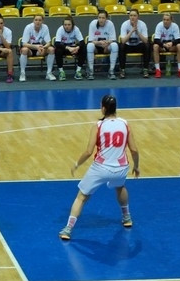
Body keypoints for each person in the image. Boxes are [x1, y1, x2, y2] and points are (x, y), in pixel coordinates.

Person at [59, 94, 139, 241]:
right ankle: (127, 217)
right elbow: (134, 150)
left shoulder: (98, 126)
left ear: (103, 108)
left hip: (101, 167)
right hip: (121, 167)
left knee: (82, 197)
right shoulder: (125, 124)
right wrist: (137, 166)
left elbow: (89, 151)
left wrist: (77, 164)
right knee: (120, 187)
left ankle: (68, 229)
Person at [19, 14, 55, 81]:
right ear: (33, 21)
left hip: (40, 49)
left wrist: (43, 47)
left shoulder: (45, 27)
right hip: (30, 48)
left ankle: (49, 73)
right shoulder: (28, 27)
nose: (38, 22)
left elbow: (48, 42)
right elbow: (24, 43)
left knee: (51, 49)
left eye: (40, 20)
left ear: (42, 21)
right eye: (36, 20)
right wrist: (35, 47)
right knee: (24, 50)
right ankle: (22, 73)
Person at [87, 10, 119, 80]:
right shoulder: (93, 24)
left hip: (106, 47)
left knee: (115, 45)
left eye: (103, 18)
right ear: (97, 17)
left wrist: (107, 42)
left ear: (106, 19)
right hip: (96, 47)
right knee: (89, 46)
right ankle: (91, 71)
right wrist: (100, 43)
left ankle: (111, 71)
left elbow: (113, 39)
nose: (101, 20)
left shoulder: (110, 24)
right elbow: (91, 40)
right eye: (99, 17)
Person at [118, 9, 150, 78]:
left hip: (138, 45)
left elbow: (145, 40)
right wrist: (131, 31)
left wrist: (137, 32)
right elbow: (123, 41)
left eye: (134, 15)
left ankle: (145, 69)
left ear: (138, 17)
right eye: (131, 15)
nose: (132, 17)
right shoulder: (125, 24)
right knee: (121, 46)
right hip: (128, 46)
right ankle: (122, 70)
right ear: (129, 16)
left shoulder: (142, 24)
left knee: (147, 45)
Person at [152, 13, 180, 78]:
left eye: (167, 20)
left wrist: (172, 43)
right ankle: (158, 70)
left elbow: (178, 40)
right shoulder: (159, 25)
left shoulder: (175, 26)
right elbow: (156, 40)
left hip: (172, 46)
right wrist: (163, 45)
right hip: (162, 46)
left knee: (179, 46)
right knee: (155, 46)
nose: (165, 21)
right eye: (164, 19)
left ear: (171, 20)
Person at [54, 16, 86, 81]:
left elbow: (82, 42)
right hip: (64, 48)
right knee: (58, 50)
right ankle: (61, 72)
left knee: (84, 48)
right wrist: (68, 48)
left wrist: (77, 47)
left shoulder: (76, 29)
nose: (67, 26)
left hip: (74, 47)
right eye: (65, 25)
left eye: (69, 25)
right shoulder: (60, 29)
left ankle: (78, 71)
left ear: (72, 25)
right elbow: (57, 43)